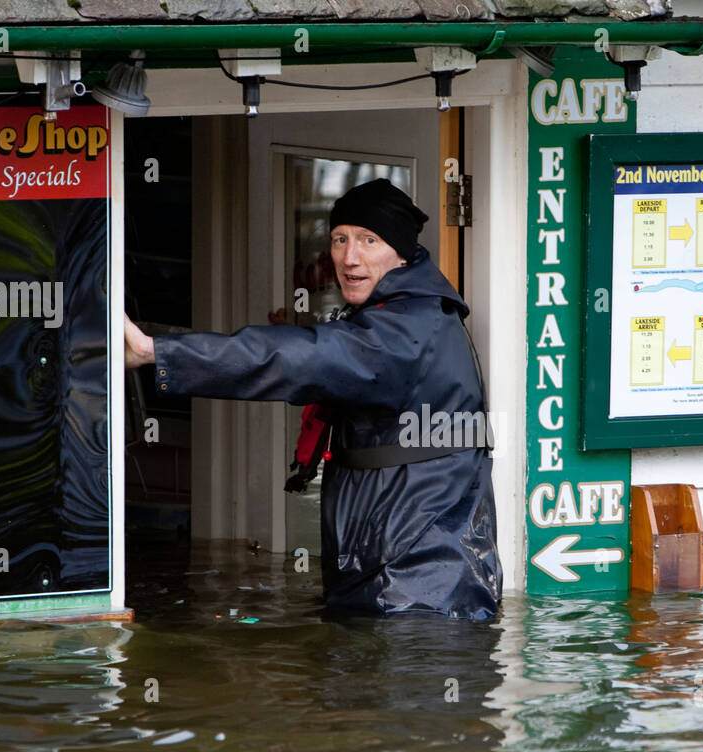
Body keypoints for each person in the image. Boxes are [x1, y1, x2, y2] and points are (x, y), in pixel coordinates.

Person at [124, 178, 502, 620]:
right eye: (340, 239)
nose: (349, 257)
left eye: (369, 240)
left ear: (400, 253)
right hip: (413, 568)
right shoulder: (413, 313)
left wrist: (157, 352)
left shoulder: (402, 335)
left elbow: (294, 358)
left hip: (418, 586)